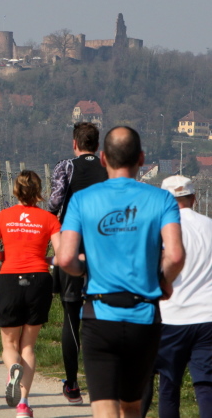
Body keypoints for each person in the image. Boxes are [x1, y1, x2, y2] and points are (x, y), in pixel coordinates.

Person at [57, 126, 185, 418]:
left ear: (103, 158)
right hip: (144, 315)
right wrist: (163, 281)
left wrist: (85, 268)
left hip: (100, 315)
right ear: (141, 158)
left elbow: (65, 259)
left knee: (104, 407)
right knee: (132, 406)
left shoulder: (82, 200)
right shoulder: (162, 200)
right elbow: (176, 255)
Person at [0, 170, 60, 417]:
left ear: (16, 190)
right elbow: (61, 255)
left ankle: (13, 368)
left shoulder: (3, 216)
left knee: (9, 344)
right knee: (28, 346)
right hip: (39, 280)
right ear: (38, 191)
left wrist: (5, 257)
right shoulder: (49, 218)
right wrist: (45, 259)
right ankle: (23, 405)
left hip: (9, 279)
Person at [139, 176, 212, 418]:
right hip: (207, 316)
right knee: (206, 385)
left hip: (171, 316)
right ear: (194, 198)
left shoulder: (159, 229)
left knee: (169, 385)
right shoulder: (209, 225)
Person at [47, 121, 107, 404]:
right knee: (104, 313)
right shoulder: (108, 168)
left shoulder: (65, 167)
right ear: (97, 145)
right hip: (103, 246)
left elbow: (54, 202)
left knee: (71, 315)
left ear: (75, 144)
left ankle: (72, 385)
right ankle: (104, 384)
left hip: (72, 244)